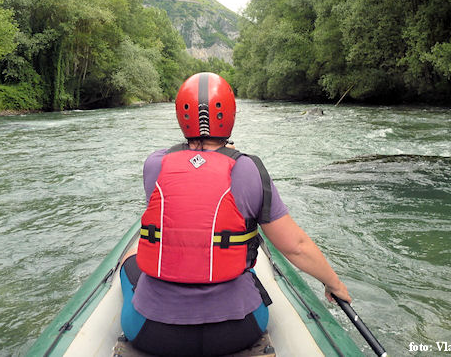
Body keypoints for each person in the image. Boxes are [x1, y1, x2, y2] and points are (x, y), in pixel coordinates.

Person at [120, 72, 351, 356]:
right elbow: (297, 247)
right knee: (249, 270)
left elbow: (185, 191)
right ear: (231, 114)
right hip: (236, 332)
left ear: (181, 116)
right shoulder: (249, 169)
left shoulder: (154, 164)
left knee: (129, 266)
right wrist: (334, 283)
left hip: (154, 333)